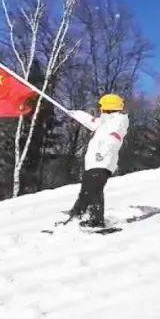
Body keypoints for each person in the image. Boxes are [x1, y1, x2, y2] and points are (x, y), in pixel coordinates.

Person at [66, 94, 129, 228]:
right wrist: (75, 113)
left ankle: (87, 217)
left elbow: (114, 139)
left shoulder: (118, 121)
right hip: (95, 162)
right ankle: (84, 217)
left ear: (108, 107)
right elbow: (91, 121)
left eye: (101, 106)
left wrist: (103, 153)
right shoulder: (105, 121)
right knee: (91, 190)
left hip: (102, 160)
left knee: (91, 190)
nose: (99, 109)